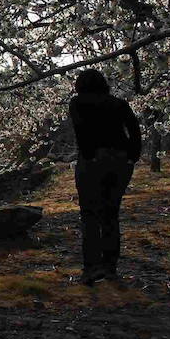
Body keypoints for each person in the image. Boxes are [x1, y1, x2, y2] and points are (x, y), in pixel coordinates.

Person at [69, 68, 142, 285]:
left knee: (90, 214)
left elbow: (81, 130)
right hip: (119, 160)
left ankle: (91, 268)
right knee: (111, 213)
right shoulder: (118, 103)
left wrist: (90, 156)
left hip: (93, 160)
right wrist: (132, 156)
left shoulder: (78, 103)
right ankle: (110, 267)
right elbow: (134, 129)